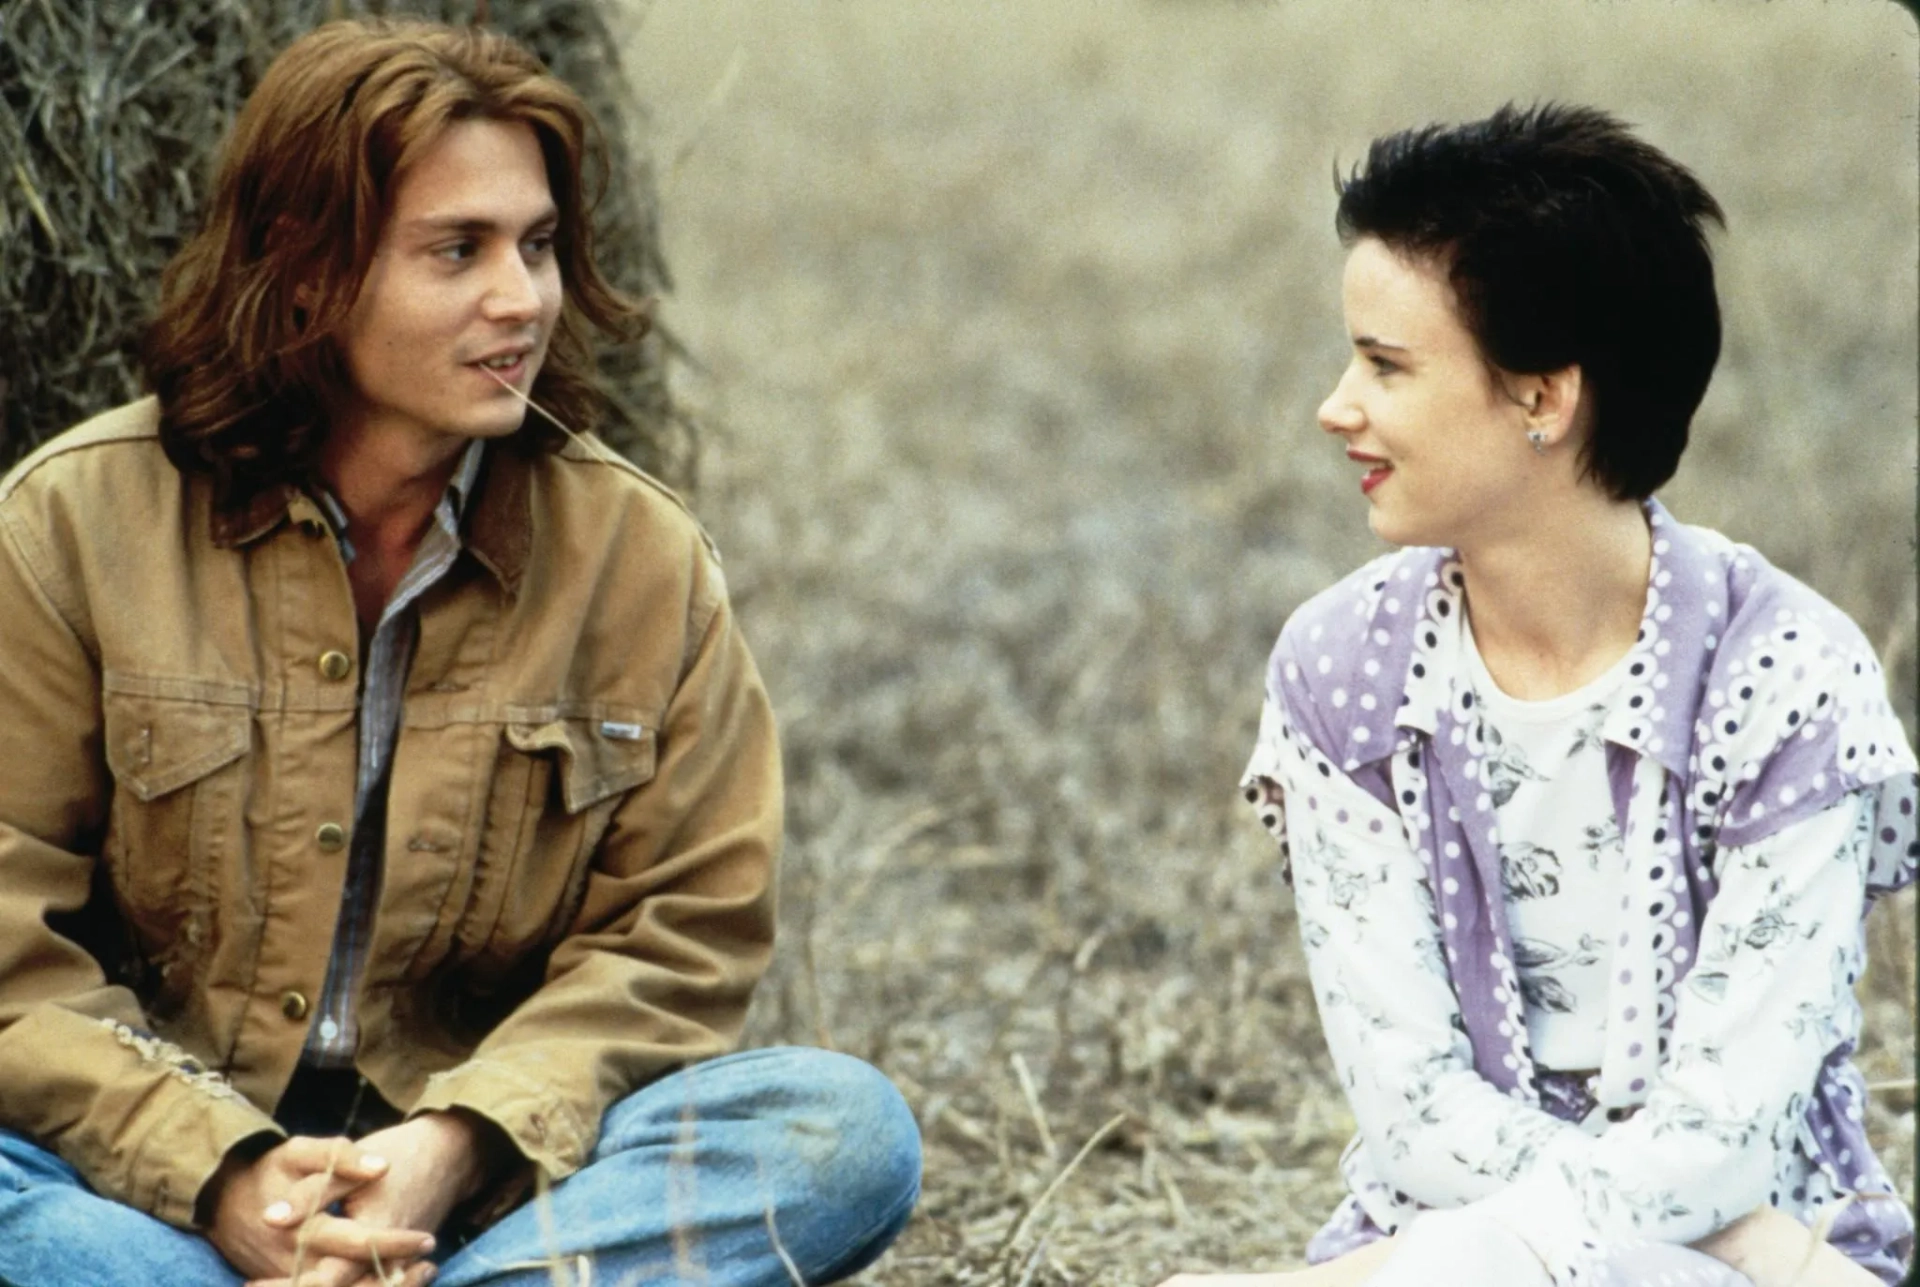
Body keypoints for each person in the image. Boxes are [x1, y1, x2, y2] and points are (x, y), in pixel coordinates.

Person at [0, 18, 919, 1287]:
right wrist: (220, 1172)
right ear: (308, 270)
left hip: (479, 1196)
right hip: (145, 1190)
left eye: (539, 246)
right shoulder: (72, 522)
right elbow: (9, 946)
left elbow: (680, 939)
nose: (522, 299)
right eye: (458, 251)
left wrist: (452, 1144)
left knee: (841, 1131)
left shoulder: (638, 561)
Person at [1161, 104, 1916, 1287]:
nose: (1334, 405)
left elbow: (1726, 1139)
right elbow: (1408, 1107)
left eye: (1386, 365)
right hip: (1450, 1241)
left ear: (1541, 400)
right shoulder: (1342, 671)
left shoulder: (1790, 682)